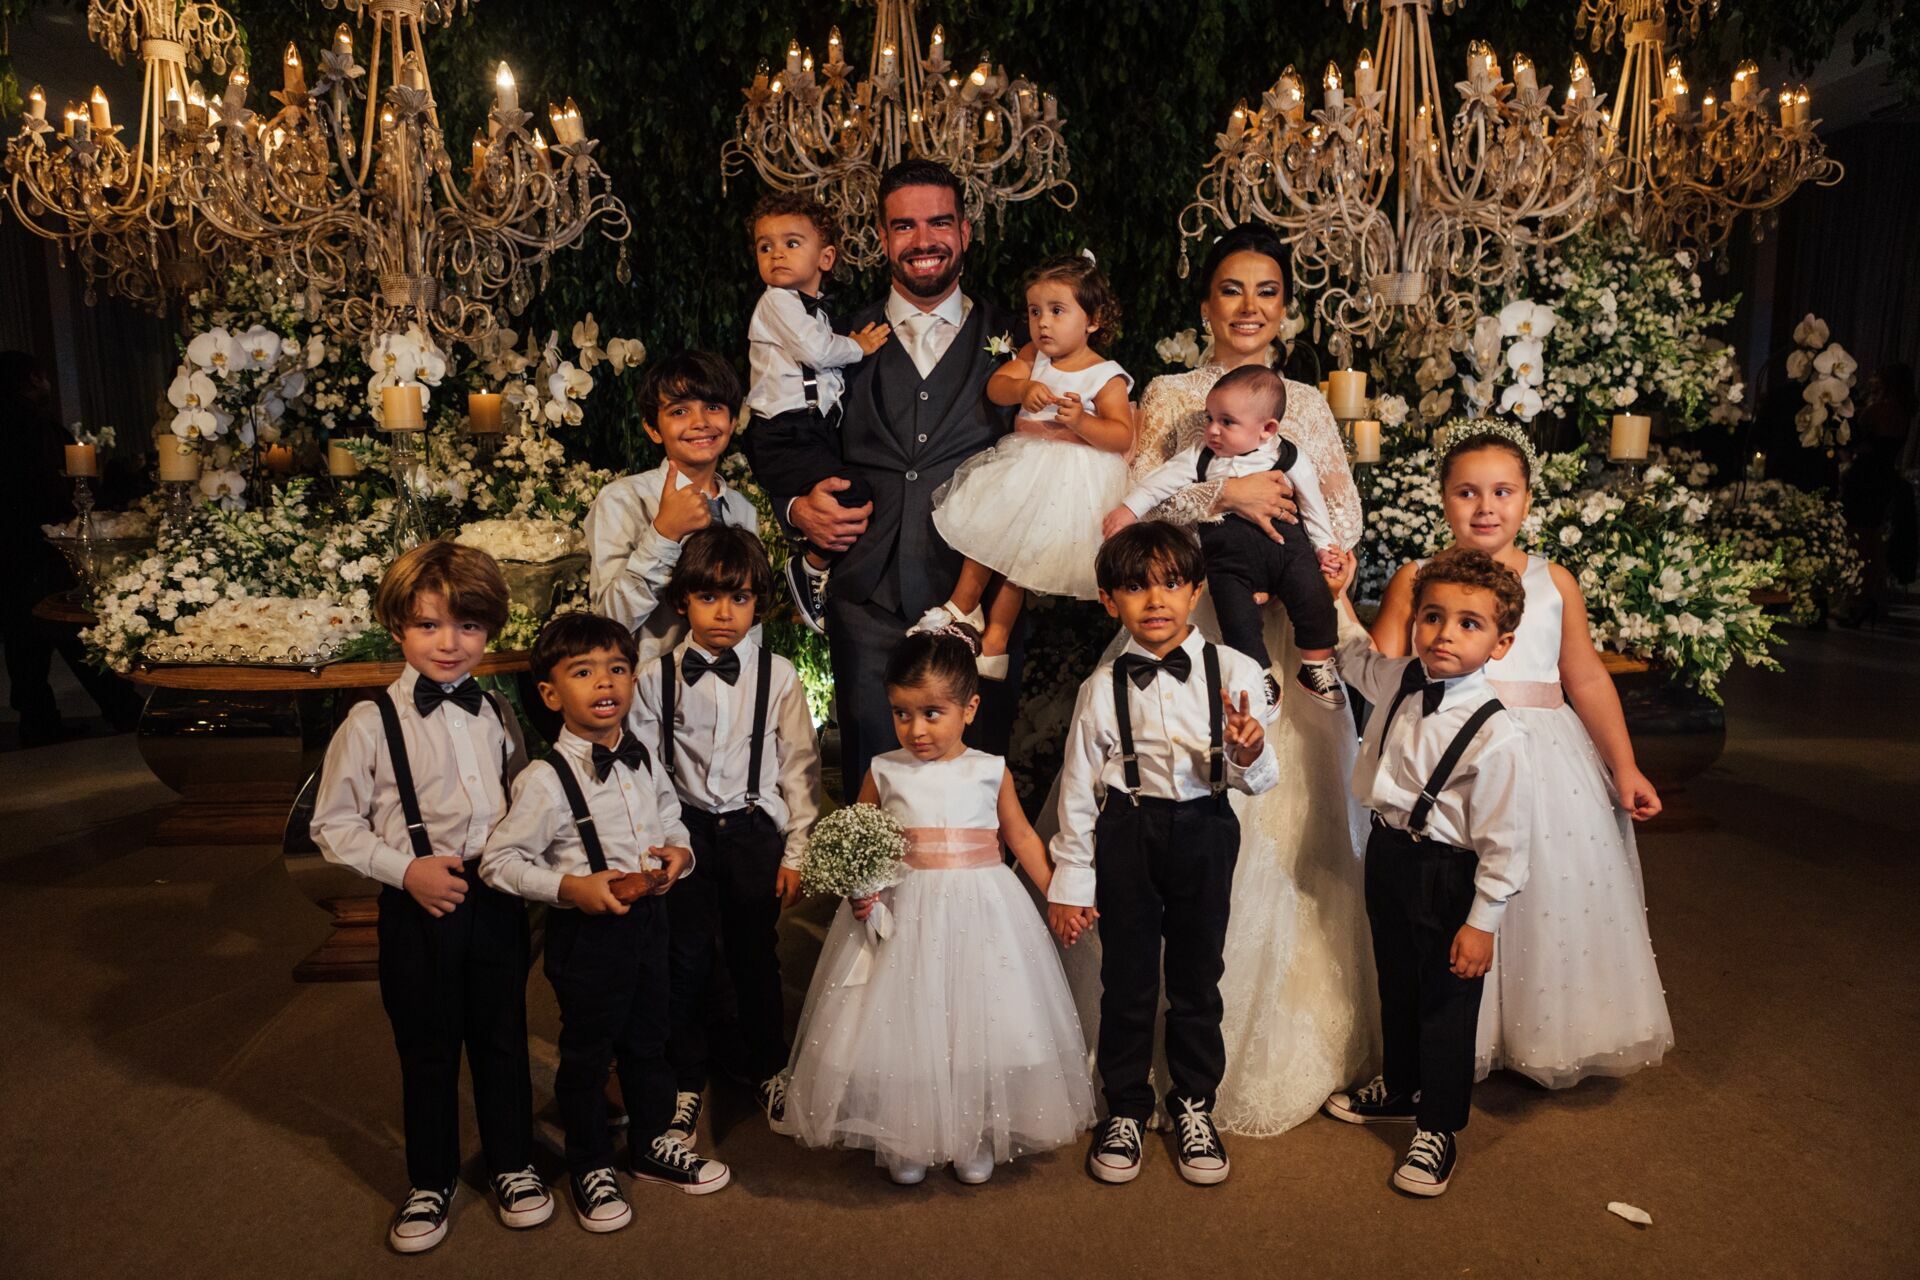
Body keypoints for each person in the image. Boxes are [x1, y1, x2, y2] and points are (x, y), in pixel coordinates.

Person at [1060, 223, 1375, 1139]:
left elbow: (1336, 500)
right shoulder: (1171, 395)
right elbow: (1141, 510)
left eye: (1267, 290)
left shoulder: (1307, 403)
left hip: (1283, 623)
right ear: (1207, 304)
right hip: (1189, 619)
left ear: (1285, 305)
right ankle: (1135, 1064)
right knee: (1163, 788)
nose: (1249, 307)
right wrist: (1221, 499)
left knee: (1284, 813)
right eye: (1232, 290)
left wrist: (1335, 552)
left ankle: (1258, 1044)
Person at [1366, 421, 1673, 1087]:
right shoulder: (1418, 577)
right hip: (1443, 755)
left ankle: (1531, 1031)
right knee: (1444, 891)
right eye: (1467, 492)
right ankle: (1451, 1039)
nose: (1485, 507)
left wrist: (1624, 765)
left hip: (1543, 755)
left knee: (1544, 893)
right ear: (1442, 499)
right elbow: (1379, 667)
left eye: (1502, 491)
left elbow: (1585, 676)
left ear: (1528, 501)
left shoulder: (1553, 580)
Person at [777, 624, 1094, 1185]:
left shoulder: (988, 768)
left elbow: (1020, 838)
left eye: (932, 713)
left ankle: (971, 1130)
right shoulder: (884, 767)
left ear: (969, 708)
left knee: (977, 1019)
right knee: (903, 1023)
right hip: (904, 912)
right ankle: (909, 1135)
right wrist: (861, 887)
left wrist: (1060, 895)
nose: (916, 729)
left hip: (981, 910)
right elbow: (861, 833)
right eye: (902, 713)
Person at [753, 158, 1025, 800]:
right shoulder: (830, 333)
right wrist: (797, 507)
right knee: (873, 790)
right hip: (865, 597)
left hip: (975, 602)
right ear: (882, 238)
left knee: (975, 796)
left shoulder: (1021, 336)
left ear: (963, 230)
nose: (922, 240)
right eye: (904, 226)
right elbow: (778, 427)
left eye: (938, 222)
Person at [309, 541, 548, 1253]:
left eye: (468, 626)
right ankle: (430, 1179)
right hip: (418, 904)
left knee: (503, 1037)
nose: (450, 643)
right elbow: (331, 825)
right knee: (428, 1045)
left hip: (496, 897)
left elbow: (522, 796)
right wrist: (403, 869)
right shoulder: (368, 725)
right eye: (428, 626)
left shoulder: (498, 713)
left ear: (489, 631)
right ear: (396, 629)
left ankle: (513, 1162)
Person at [480, 612, 730, 1233]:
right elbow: (498, 862)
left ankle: (650, 1142)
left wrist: (682, 852)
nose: (605, 682)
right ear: (549, 693)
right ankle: (591, 1162)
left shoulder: (643, 759)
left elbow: (671, 816)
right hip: (587, 935)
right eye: (583, 671)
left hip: (651, 922)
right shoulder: (544, 779)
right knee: (588, 1053)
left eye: (617, 668)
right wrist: (568, 887)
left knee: (650, 1038)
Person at [1049, 521, 1279, 1187]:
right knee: (1125, 976)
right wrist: (1070, 879)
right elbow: (1077, 787)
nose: (1155, 600)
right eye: (1135, 586)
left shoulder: (1235, 671)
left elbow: (1262, 780)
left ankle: (1194, 1103)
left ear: (1197, 590)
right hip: (1127, 830)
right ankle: (1124, 1106)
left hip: (1207, 827)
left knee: (1197, 973)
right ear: (1108, 600)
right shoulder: (1099, 689)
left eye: (1172, 584)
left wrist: (1246, 753)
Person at [1323, 548, 1532, 1197]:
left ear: (1502, 643)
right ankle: (1403, 1085)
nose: (1445, 634)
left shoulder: (1498, 736)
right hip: (1388, 852)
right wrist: (1337, 595)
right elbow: (1354, 657)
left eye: (1469, 624)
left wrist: (1482, 923)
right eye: (1433, 617)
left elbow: (1506, 843)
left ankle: (1437, 1126)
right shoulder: (1402, 678)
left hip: (1448, 872)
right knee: (1398, 981)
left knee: (1446, 1001)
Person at [630, 526, 821, 1142]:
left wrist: (797, 850)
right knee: (682, 957)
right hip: (680, 830)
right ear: (682, 600)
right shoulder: (653, 677)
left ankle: (769, 1064)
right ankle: (687, 1078)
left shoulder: (781, 676)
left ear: (757, 606)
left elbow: (801, 769)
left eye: (739, 599)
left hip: (750, 832)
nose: (724, 613)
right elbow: (642, 770)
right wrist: (658, 842)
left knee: (754, 953)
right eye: (710, 597)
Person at [928, 252, 1134, 675]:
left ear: (1092, 320)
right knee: (993, 536)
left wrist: (1083, 420)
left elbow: (1122, 435)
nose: (1042, 323)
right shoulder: (1033, 355)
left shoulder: (1105, 374)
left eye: (1057, 311)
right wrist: (1022, 388)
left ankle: (994, 639)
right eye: (1035, 311)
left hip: (1070, 480)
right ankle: (963, 608)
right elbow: (996, 387)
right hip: (1023, 464)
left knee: (1017, 566)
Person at [1105, 363, 1343, 708]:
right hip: (1228, 558)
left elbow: (1313, 505)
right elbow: (1157, 485)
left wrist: (1325, 548)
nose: (1212, 430)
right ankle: (1257, 674)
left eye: (1226, 422)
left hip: (1286, 549)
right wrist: (1128, 510)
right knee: (1235, 617)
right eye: (1209, 418)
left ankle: (1316, 666)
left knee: (1314, 597)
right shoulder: (1200, 457)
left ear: (1267, 429)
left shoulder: (1289, 457)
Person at [737, 193, 891, 633]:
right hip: (784, 432)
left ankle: (816, 565)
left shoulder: (815, 312)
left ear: (825, 257)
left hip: (809, 429)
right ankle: (809, 568)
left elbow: (825, 377)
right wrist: (858, 347)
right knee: (850, 491)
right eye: (765, 247)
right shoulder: (777, 301)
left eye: (790, 243)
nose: (776, 255)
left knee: (847, 493)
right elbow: (817, 352)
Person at [0, 350, 142, 745]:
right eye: (44, 377)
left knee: (22, 638)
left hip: (6, 548)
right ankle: (122, 707)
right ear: (31, 379)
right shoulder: (35, 427)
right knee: (71, 625)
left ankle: (37, 719)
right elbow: (59, 488)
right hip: (40, 542)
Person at [585, 350, 760, 664]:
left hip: (731, 695)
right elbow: (608, 624)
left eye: (713, 407)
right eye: (679, 411)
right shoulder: (622, 500)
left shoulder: (743, 509)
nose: (700, 422)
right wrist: (664, 534)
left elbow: (749, 615)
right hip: (649, 699)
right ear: (653, 429)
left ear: (733, 421)